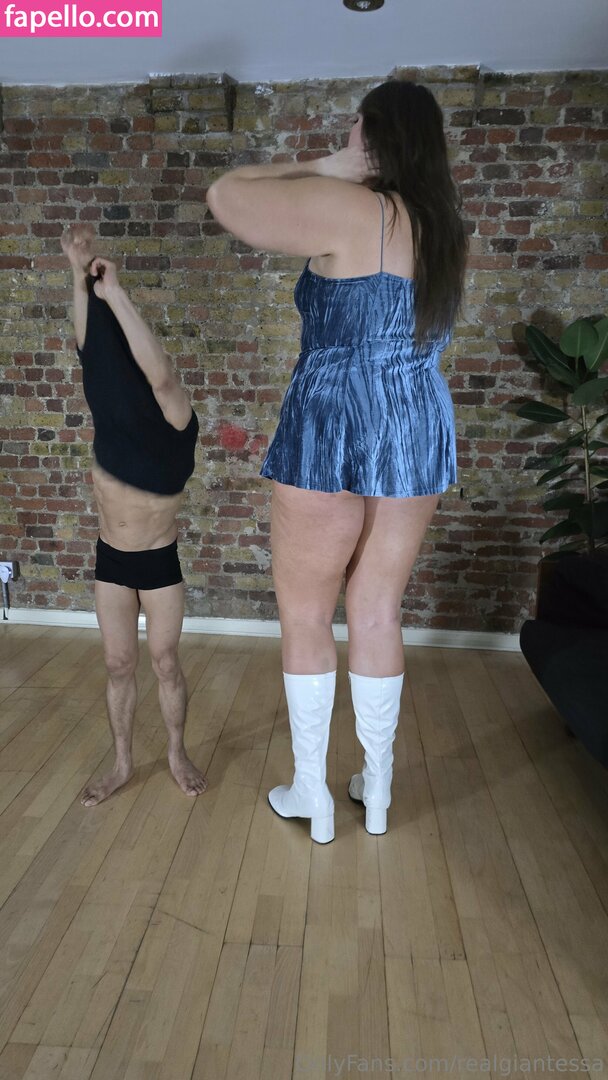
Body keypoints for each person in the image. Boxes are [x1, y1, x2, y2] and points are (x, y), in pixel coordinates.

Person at [207, 79, 466, 842]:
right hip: (415, 420)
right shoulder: (448, 230)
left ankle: (312, 793)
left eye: (354, 128)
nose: (347, 139)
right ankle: (376, 791)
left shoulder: (350, 207)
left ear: (376, 137)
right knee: (378, 607)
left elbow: (225, 194)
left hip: (331, 417)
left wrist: (324, 165)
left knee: (306, 613)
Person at [61, 225, 208, 806]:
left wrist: (114, 291)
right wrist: (78, 275)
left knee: (165, 662)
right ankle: (122, 762)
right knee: (119, 663)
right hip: (112, 561)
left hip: (158, 561)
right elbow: (87, 349)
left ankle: (175, 752)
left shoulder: (177, 421)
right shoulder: (113, 418)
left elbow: (163, 375)